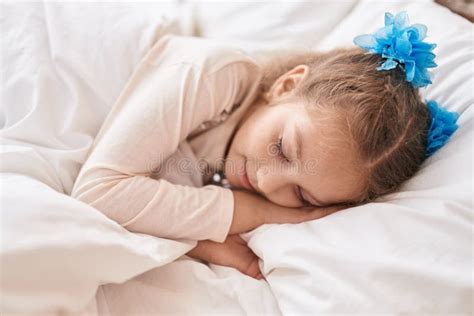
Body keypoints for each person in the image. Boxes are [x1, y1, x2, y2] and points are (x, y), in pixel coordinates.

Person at [70, 12, 459, 280]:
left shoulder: (229, 162)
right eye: (282, 149)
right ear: (286, 85)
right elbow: (100, 192)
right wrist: (255, 212)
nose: (265, 182)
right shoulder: (213, 76)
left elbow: (148, 197)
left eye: (302, 195)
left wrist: (202, 244)